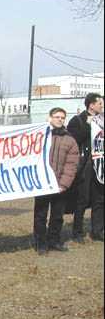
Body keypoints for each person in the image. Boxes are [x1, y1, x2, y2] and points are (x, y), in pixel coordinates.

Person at [33, 108, 79, 254]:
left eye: (62, 117)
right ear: (50, 118)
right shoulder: (39, 137)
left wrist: (63, 184)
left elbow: (71, 164)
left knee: (57, 216)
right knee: (40, 215)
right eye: (57, 117)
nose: (60, 119)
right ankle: (40, 242)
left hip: (60, 185)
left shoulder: (69, 139)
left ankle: (54, 240)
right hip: (42, 184)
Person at [67, 93, 104, 242]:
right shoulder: (78, 120)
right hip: (86, 165)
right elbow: (73, 139)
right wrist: (87, 125)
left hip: (99, 165)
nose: (102, 106)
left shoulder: (102, 121)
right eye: (100, 103)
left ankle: (97, 230)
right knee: (82, 199)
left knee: (99, 199)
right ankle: (77, 231)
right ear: (91, 105)